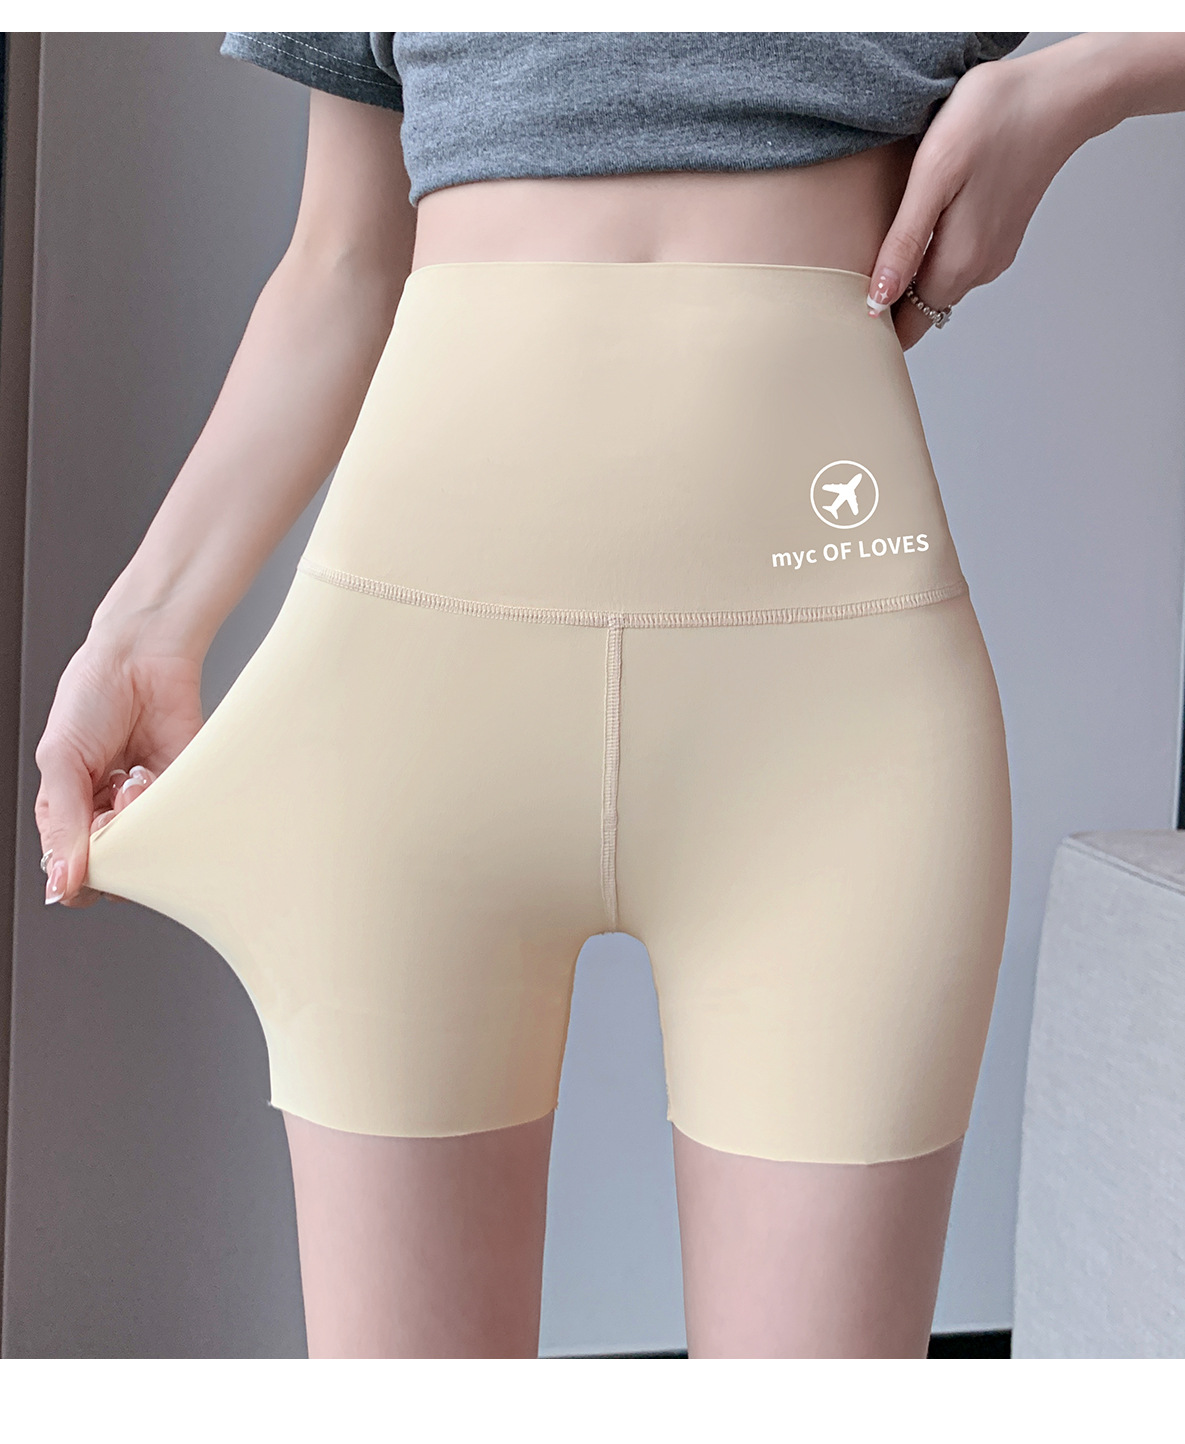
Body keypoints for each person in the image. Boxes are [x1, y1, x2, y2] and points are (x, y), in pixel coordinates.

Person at [31, 32, 1185, 1359]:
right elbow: (340, 261)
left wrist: (1074, 86)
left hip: (829, 738)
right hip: (405, 715)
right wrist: (140, 633)